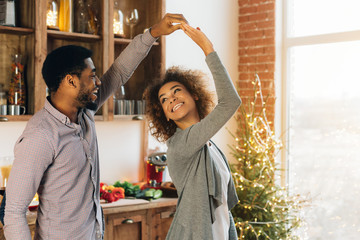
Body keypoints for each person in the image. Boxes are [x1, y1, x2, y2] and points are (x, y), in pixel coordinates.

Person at [3, 13, 188, 240]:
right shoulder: (40, 136)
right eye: (91, 76)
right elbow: (13, 212)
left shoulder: (85, 112)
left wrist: (154, 33)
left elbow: (119, 72)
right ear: (71, 81)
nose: (98, 82)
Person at [143, 24, 241, 240]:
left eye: (177, 91)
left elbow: (222, 207)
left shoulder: (209, 145)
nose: (172, 99)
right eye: (164, 99)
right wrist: (208, 48)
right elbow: (231, 102)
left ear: (194, 95)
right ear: (166, 115)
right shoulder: (181, 144)